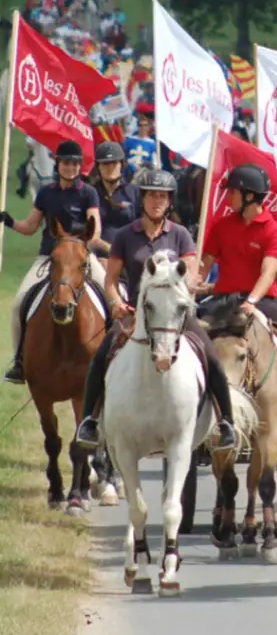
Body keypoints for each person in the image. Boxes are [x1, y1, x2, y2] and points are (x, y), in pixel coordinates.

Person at [75, 169, 237, 451]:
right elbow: (111, 280)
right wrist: (116, 303)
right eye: (151, 195)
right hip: (137, 314)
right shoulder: (126, 235)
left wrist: (192, 282)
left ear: (170, 201)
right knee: (101, 357)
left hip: (176, 316)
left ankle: (226, 424)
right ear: (143, 199)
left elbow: (189, 271)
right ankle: (90, 420)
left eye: (162, 196)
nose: (156, 201)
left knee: (213, 360)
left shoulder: (182, 235)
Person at [200, 163, 277, 436]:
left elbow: (269, 271)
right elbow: (204, 266)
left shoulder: (273, 230)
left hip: (260, 301)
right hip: (222, 300)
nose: (228, 197)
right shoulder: (221, 225)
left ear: (250, 196)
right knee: (186, 335)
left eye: (233, 192)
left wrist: (252, 300)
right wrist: (191, 281)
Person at [0, 140, 103, 385]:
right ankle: (20, 361)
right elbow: (31, 226)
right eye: (66, 163)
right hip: (50, 257)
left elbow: (95, 230)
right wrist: (9, 220)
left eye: (75, 163)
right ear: (58, 164)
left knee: (111, 296)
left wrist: (78, 235)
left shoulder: (89, 192)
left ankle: (112, 357)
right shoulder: (46, 193)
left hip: (81, 257)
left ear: (80, 166)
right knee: (18, 304)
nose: (70, 167)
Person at [92, 141, 140, 246]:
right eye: (105, 163)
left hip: (129, 252)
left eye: (114, 163)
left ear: (121, 164)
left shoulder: (135, 192)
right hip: (96, 254)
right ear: (98, 166)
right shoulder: (90, 193)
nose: (110, 167)